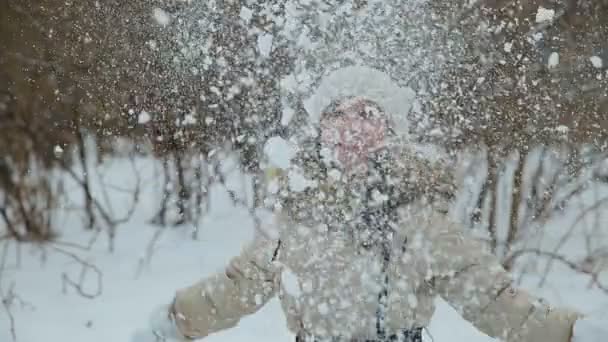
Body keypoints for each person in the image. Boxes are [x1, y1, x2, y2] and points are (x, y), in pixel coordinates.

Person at [131, 93, 606, 342]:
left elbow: (494, 301)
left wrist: (569, 334)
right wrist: (175, 322)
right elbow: (238, 286)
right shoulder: (299, 217)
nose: (351, 125)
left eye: (367, 113)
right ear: (321, 129)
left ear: (388, 131)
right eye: (338, 113)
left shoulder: (419, 219)